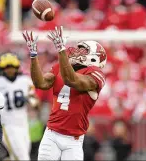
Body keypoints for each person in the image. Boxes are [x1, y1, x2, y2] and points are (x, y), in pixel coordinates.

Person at [22, 26, 107, 160]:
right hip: (52, 133)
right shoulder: (60, 67)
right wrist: (33, 55)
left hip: (74, 139)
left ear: (94, 58)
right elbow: (41, 83)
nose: (77, 52)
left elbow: (71, 80)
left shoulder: (96, 74)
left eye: (83, 51)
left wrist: (61, 50)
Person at [0, 53, 39, 160]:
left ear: (17, 67)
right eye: (6, 67)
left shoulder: (25, 81)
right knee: (22, 157)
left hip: (23, 124)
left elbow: (35, 103)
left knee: (16, 156)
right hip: (7, 125)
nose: (9, 70)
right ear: (2, 68)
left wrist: (28, 99)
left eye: (12, 67)